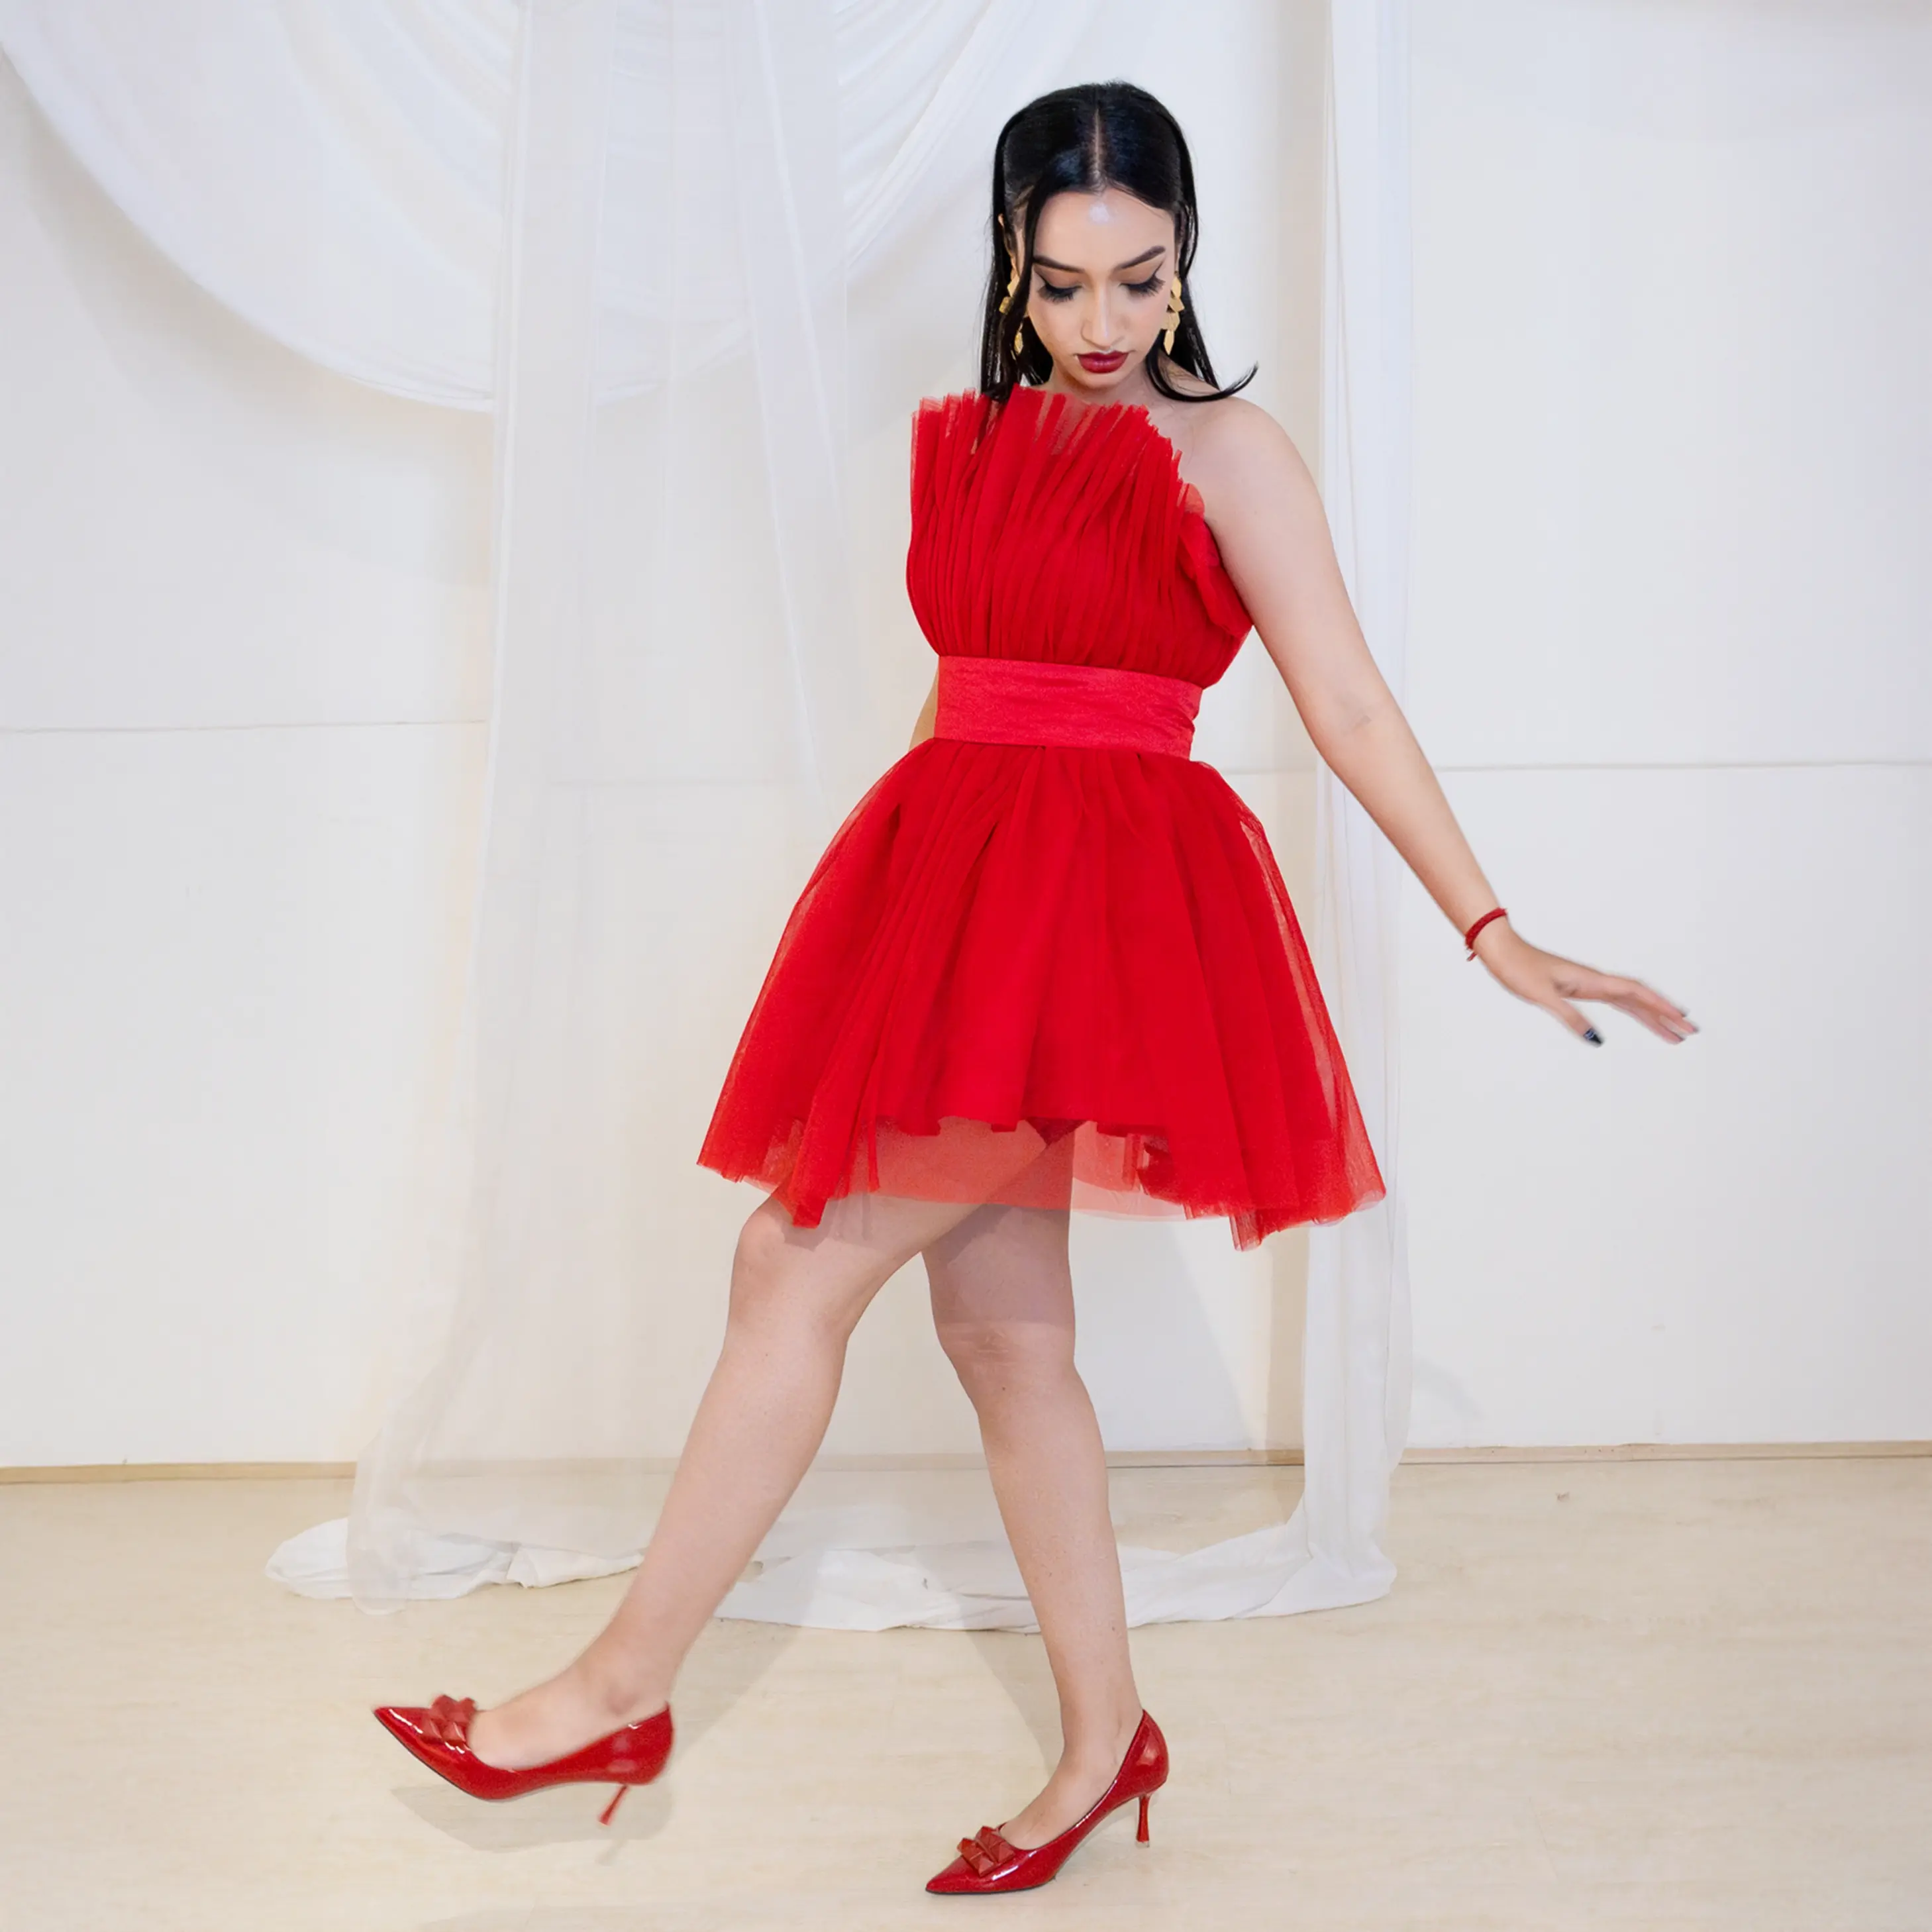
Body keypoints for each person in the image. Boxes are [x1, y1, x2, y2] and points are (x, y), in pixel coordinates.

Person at [374, 80, 1696, 1896]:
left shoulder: (1231, 454)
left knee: (789, 1258)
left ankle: (620, 1687)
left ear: (1180, 266)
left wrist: (1491, 928)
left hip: (1095, 910)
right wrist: (891, 903)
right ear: (1009, 254)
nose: (1101, 325)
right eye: (1065, 283)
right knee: (1006, 1341)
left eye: (1139, 283)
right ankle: (1105, 1742)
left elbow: (1349, 701)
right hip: (957, 882)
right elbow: (962, 687)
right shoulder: (978, 430)